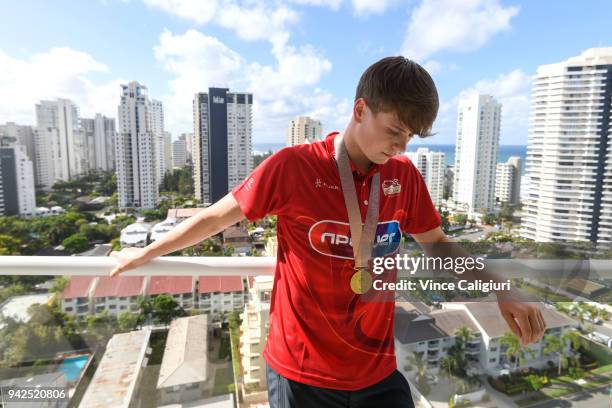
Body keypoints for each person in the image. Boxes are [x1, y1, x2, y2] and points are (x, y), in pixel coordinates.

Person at [110, 57, 546, 407]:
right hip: (302, 375)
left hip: (376, 370)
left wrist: (502, 289)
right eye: (394, 130)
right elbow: (217, 217)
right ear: (361, 109)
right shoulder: (295, 166)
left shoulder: (404, 176)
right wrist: (146, 251)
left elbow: (438, 245)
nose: (400, 146)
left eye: (409, 136)